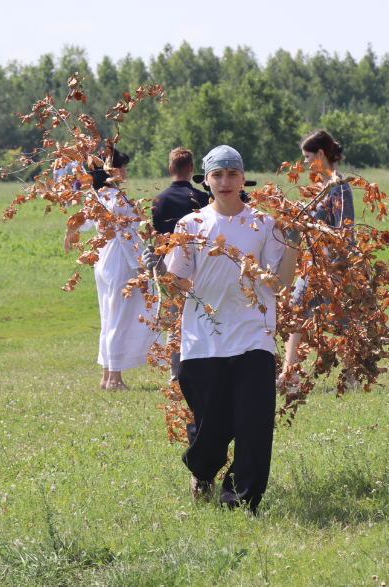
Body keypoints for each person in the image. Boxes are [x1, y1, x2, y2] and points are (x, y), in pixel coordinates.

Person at [144, 145, 298, 511]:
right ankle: (201, 469)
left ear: (244, 179)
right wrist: (160, 270)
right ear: (206, 181)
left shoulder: (264, 224)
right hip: (203, 339)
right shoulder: (191, 225)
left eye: (232, 174)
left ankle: (243, 501)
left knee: (253, 424)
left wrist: (291, 243)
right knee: (212, 427)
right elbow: (179, 283)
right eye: (217, 175)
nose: (225, 181)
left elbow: (281, 282)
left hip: (253, 335)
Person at [64, 148, 157, 391]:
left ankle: (107, 376)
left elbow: (80, 222)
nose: (125, 171)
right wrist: (139, 268)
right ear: (109, 171)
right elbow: (127, 237)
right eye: (121, 167)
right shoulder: (114, 197)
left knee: (108, 317)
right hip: (119, 259)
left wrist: (69, 232)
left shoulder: (96, 195)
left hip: (103, 259)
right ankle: (115, 378)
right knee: (119, 318)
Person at [278, 130, 354, 388]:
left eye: (308, 156)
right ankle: (291, 375)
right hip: (315, 264)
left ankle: (352, 374)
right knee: (298, 314)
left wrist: (340, 267)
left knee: (340, 320)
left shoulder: (339, 186)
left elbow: (345, 229)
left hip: (330, 264)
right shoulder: (325, 186)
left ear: (321, 153)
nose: (306, 162)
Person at [151, 147, 212, 382]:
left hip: (170, 265)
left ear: (170, 169)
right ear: (192, 169)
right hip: (199, 266)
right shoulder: (202, 198)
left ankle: (175, 372)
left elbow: (157, 235)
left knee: (175, 319)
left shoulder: (159, 199)